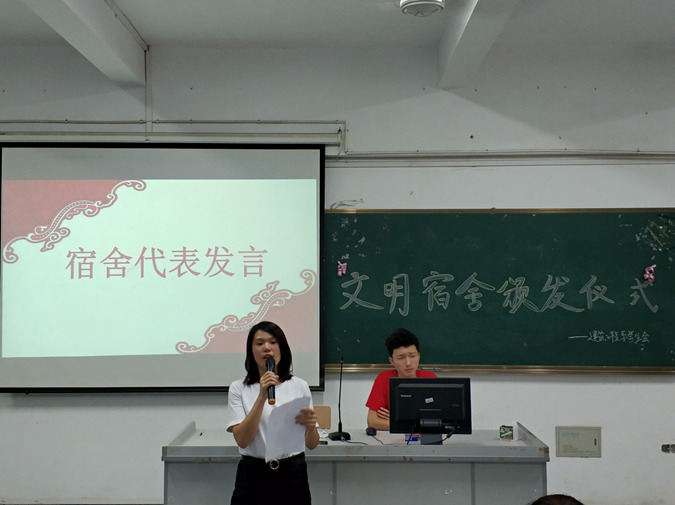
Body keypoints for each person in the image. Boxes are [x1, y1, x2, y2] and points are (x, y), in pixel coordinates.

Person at [227, 321, 319, 505]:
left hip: (293, 474)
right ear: (251, 351)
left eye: (273, 342)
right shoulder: (239, 388)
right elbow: (242, 440)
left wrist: (310, 427)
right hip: (253, 474)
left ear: (282, 348)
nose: (266, 348)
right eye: (259, 343)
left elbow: (312, 444)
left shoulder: (299, 386)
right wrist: (262, 395)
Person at [365, 327, 437, 430]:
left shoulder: (430, 378)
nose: (408, 363)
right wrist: (416, 424)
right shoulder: (384, 379)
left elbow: (438, 421)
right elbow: (372, 422)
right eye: (401, 358)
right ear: (392, 361)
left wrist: (397, 421)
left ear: (419, 356)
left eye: (412, 356)